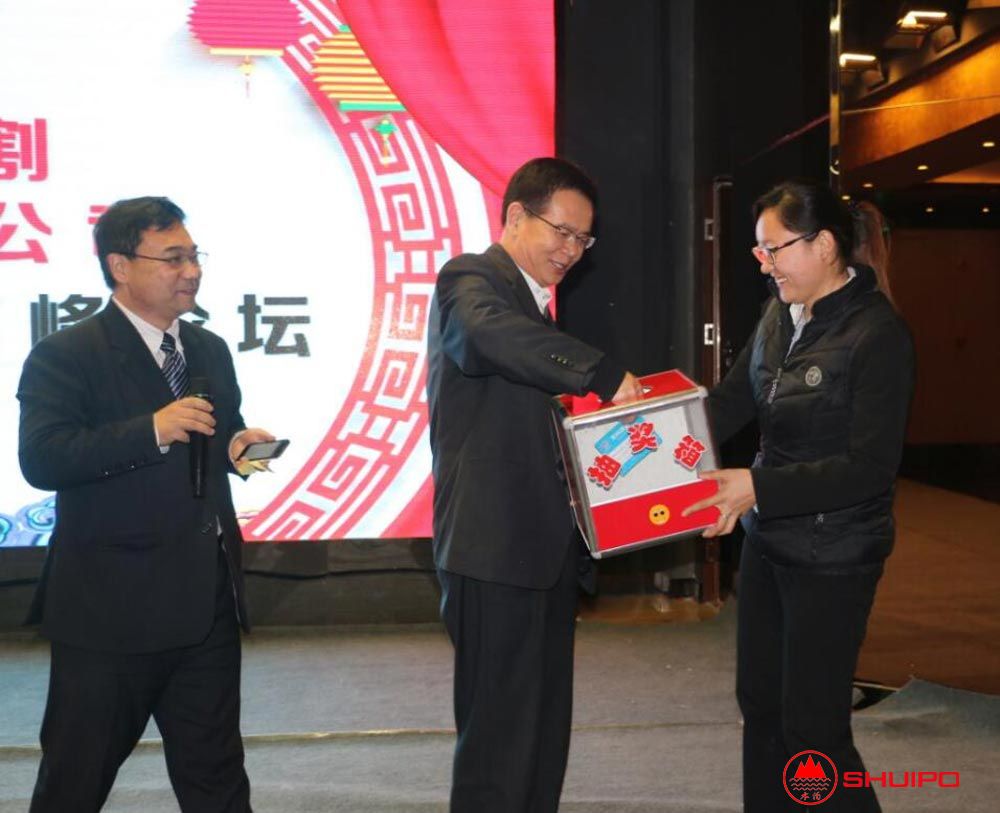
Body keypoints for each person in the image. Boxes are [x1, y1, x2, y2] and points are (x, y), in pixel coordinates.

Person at [17, 196, 275, 813]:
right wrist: (151, 430)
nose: (191, 271)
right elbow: (43, 459)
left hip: (205, 605)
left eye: (194, 256)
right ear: (120, 266)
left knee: (217, 779)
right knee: (76, 780)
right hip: (112, 613)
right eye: (173, 258)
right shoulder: (67, 353)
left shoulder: (208, 349)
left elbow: (215, 433)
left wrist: (239, 447)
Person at [683, 179, 914, 812]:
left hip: (834, 556)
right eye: (759, 250)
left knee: (814, 729)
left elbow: (868, 469)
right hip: (770, 541)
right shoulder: (778, 315)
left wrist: (755, 486)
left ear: (825, 245)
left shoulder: (878, 335)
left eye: (774, 248)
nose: (764, 264)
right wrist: (651, 440)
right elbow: (732, 401)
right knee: (761, 707)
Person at [427, 157, 643, 812]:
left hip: (542, 553)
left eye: (584, 239)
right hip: (493, 551)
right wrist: (599, 373)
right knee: (498, 744)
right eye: (562, 231)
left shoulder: (533, 309)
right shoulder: (471, 280)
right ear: (516, 215)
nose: (571, 250)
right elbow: (485, 334)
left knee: (543, 736)